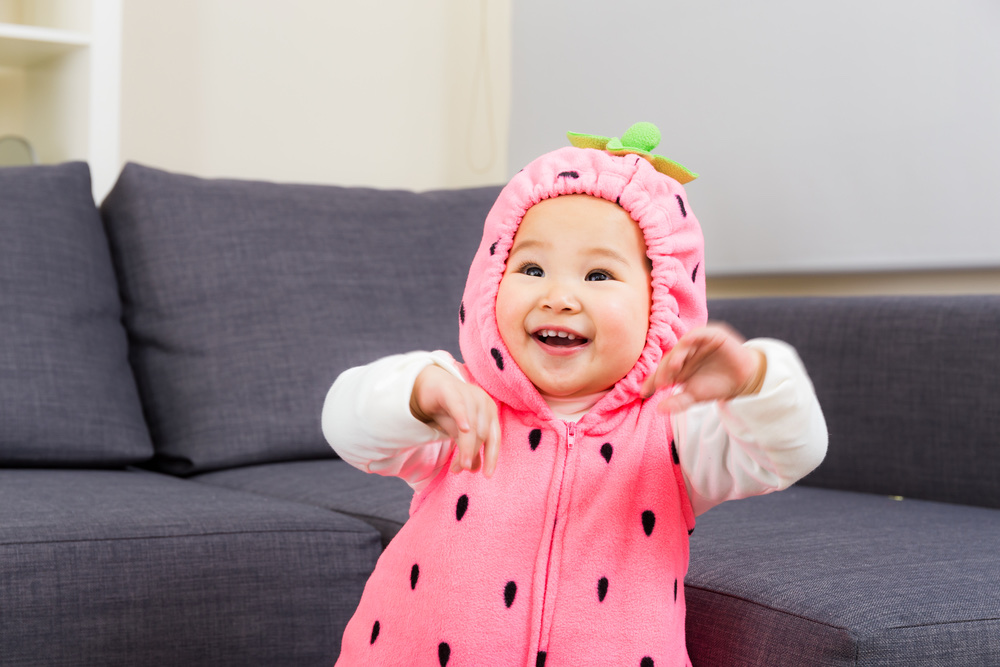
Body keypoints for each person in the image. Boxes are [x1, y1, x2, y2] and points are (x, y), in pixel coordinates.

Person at [322, 123, 827, 666]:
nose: (559, 296)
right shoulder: (460, 406)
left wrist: (753, 380)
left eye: (599, 275)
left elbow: (790, 453)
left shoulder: (678, 427)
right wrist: (417, 393)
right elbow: (347, 427)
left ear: (662, 302)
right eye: (532, 267)